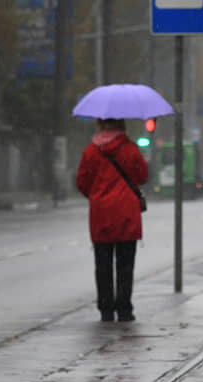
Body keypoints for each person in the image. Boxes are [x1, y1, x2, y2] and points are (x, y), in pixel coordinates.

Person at [76, 118, 148, 322]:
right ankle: (124, 309)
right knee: (125, 265)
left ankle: (106, 309)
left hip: (101, 215)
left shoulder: (90, 151)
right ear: (122, 125)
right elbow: (143, 176)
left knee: (103, 264)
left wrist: (97, 196)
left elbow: (82, 182)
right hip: (126, 213)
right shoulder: (130, 149)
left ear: (100, 124)